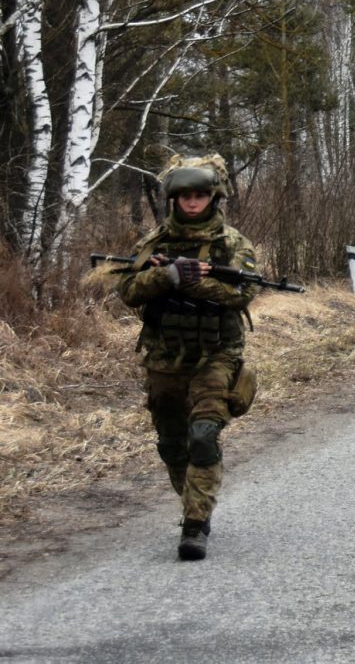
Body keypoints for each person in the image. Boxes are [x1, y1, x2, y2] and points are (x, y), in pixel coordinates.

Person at [116, 154, 260, 561]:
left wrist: (196, 283)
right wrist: (168, 275)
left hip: (217, 354)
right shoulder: (154, 242)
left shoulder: (232, 243)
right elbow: (128, 292)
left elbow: (242, 294)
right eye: (185, 197)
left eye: (200, 195)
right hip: (164, 356)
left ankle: (195, 523)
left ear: (213, 198)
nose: (192, 203)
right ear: (173, 200)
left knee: (203, 436)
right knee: (173, 444)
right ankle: (194, 501)